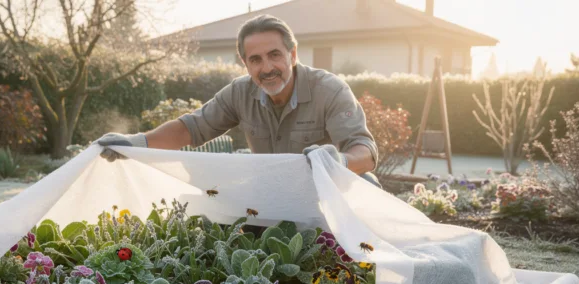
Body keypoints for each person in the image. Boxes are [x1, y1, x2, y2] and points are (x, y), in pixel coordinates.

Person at [95, 14, 381, 187]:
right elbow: (191, 128)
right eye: (255, 59)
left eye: (275, 55)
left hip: (327, 196)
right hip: (273, 196)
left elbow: (365, 152)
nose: (267, 68)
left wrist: (337, 162)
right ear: (245, 63)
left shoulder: (329, 90)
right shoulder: (239, 92)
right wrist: (137, 143)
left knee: (368, 185)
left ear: (292, 55)